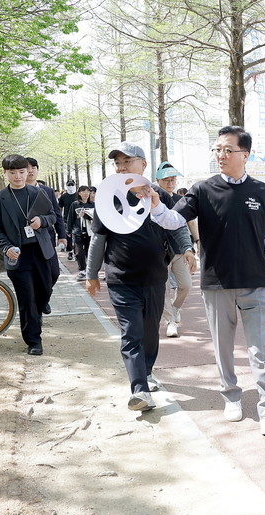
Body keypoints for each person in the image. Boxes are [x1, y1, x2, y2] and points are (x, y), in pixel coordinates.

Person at [149, 126, 265, 438]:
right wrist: (156, 204)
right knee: (224, 346)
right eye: (217, 150)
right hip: (216, 282)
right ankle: (231, 396)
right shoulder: (202, 189)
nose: (221, 155)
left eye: (228, 150)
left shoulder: (262, 191)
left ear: (245, 155)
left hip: (255, 281)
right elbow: (172, 221)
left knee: (260, 348)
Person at [85, 142, 194, 412]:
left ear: (143, 165)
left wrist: (187, 248)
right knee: (131, 333)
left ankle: (146, 371)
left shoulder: (159, 194)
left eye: (127, 162)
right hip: (121, 278)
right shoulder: (108, 196)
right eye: (117, 163)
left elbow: (176, 224)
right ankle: (139, 390)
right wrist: (92, 274)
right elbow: (98, 238)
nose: (121, 168)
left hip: (155, 276)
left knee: (149, 331)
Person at [0, 154, 56, 356]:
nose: (17, 176)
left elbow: (52, 215)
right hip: (18, 254)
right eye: (12, 172)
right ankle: (34, 340)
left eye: (21, 171)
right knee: (27, 298)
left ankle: (36, 314)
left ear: (28, 172)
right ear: (5, 173)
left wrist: (42, 221)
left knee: (45, 289)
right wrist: (6, 247)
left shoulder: (37, 193)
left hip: (40, 250)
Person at [155, 161, 196, 338]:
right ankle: (170, 321)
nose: (170, 183)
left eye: (173, 180)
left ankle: (175, 307)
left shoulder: (181, 201)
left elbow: (189, 223)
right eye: (166, 180)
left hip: (179, 250)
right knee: (164, 289)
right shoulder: (152, 199)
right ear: (158, 180)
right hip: (159, 252)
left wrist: (195, 243)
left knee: (186, 285)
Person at [26, 157, 67, 314]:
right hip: (28, 240)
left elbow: (56, 214)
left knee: (54, 272)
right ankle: (39, 304)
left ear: (37, 170)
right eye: (27, 168)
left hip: (47, 238)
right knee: (35, 275)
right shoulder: (18, 191)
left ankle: (44, 297)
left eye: (33, 167)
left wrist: (62, 235)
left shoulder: (48, 191)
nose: (30, 171)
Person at [66, 186, 95, 280]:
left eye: (88, 191)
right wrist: (69, 230)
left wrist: (86, 216)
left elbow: (96, 218)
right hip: (78, 232)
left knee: (89, 252)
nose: (86, 193)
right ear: (79, 193)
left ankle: (89, 270)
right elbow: (70, 218)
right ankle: (82, 271)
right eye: (83, 191)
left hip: (90, 232)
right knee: (79, 252)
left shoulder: (93, 205)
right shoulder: (75, 204)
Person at [58, 180, 77, 261]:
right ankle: (70, 252)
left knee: (77, 237)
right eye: (69, 185)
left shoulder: (78, 195)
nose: (71, 186)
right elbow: (59, 208)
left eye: (72, 184)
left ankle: (77, 252)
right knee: (68, 236)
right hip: (66, 219)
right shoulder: (63, 197)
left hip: (77, 219)